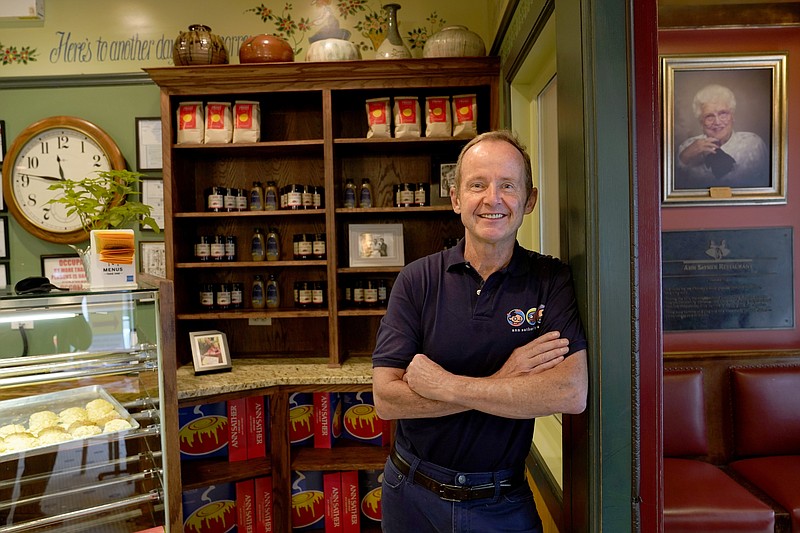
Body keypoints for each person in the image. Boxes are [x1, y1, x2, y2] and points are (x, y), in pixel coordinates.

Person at [372, 130, 589, 532]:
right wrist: (503, 382)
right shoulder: (417, 280)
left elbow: (569, 392)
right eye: (477, 185)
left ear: (529, 200)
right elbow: (387, 400)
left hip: (502, 503)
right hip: (411, 496)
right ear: (456, 199)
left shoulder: (551, 280)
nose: (493, 199)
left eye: (507, 185)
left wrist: (444, 384)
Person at [676, 84, 769, 189]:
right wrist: (684, 158)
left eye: (723, 114)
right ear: (701, 122)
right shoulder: (686, 148)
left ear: (732, 116)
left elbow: (766, 186)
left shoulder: (754, 144)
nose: (717, 122)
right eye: (709, 116)